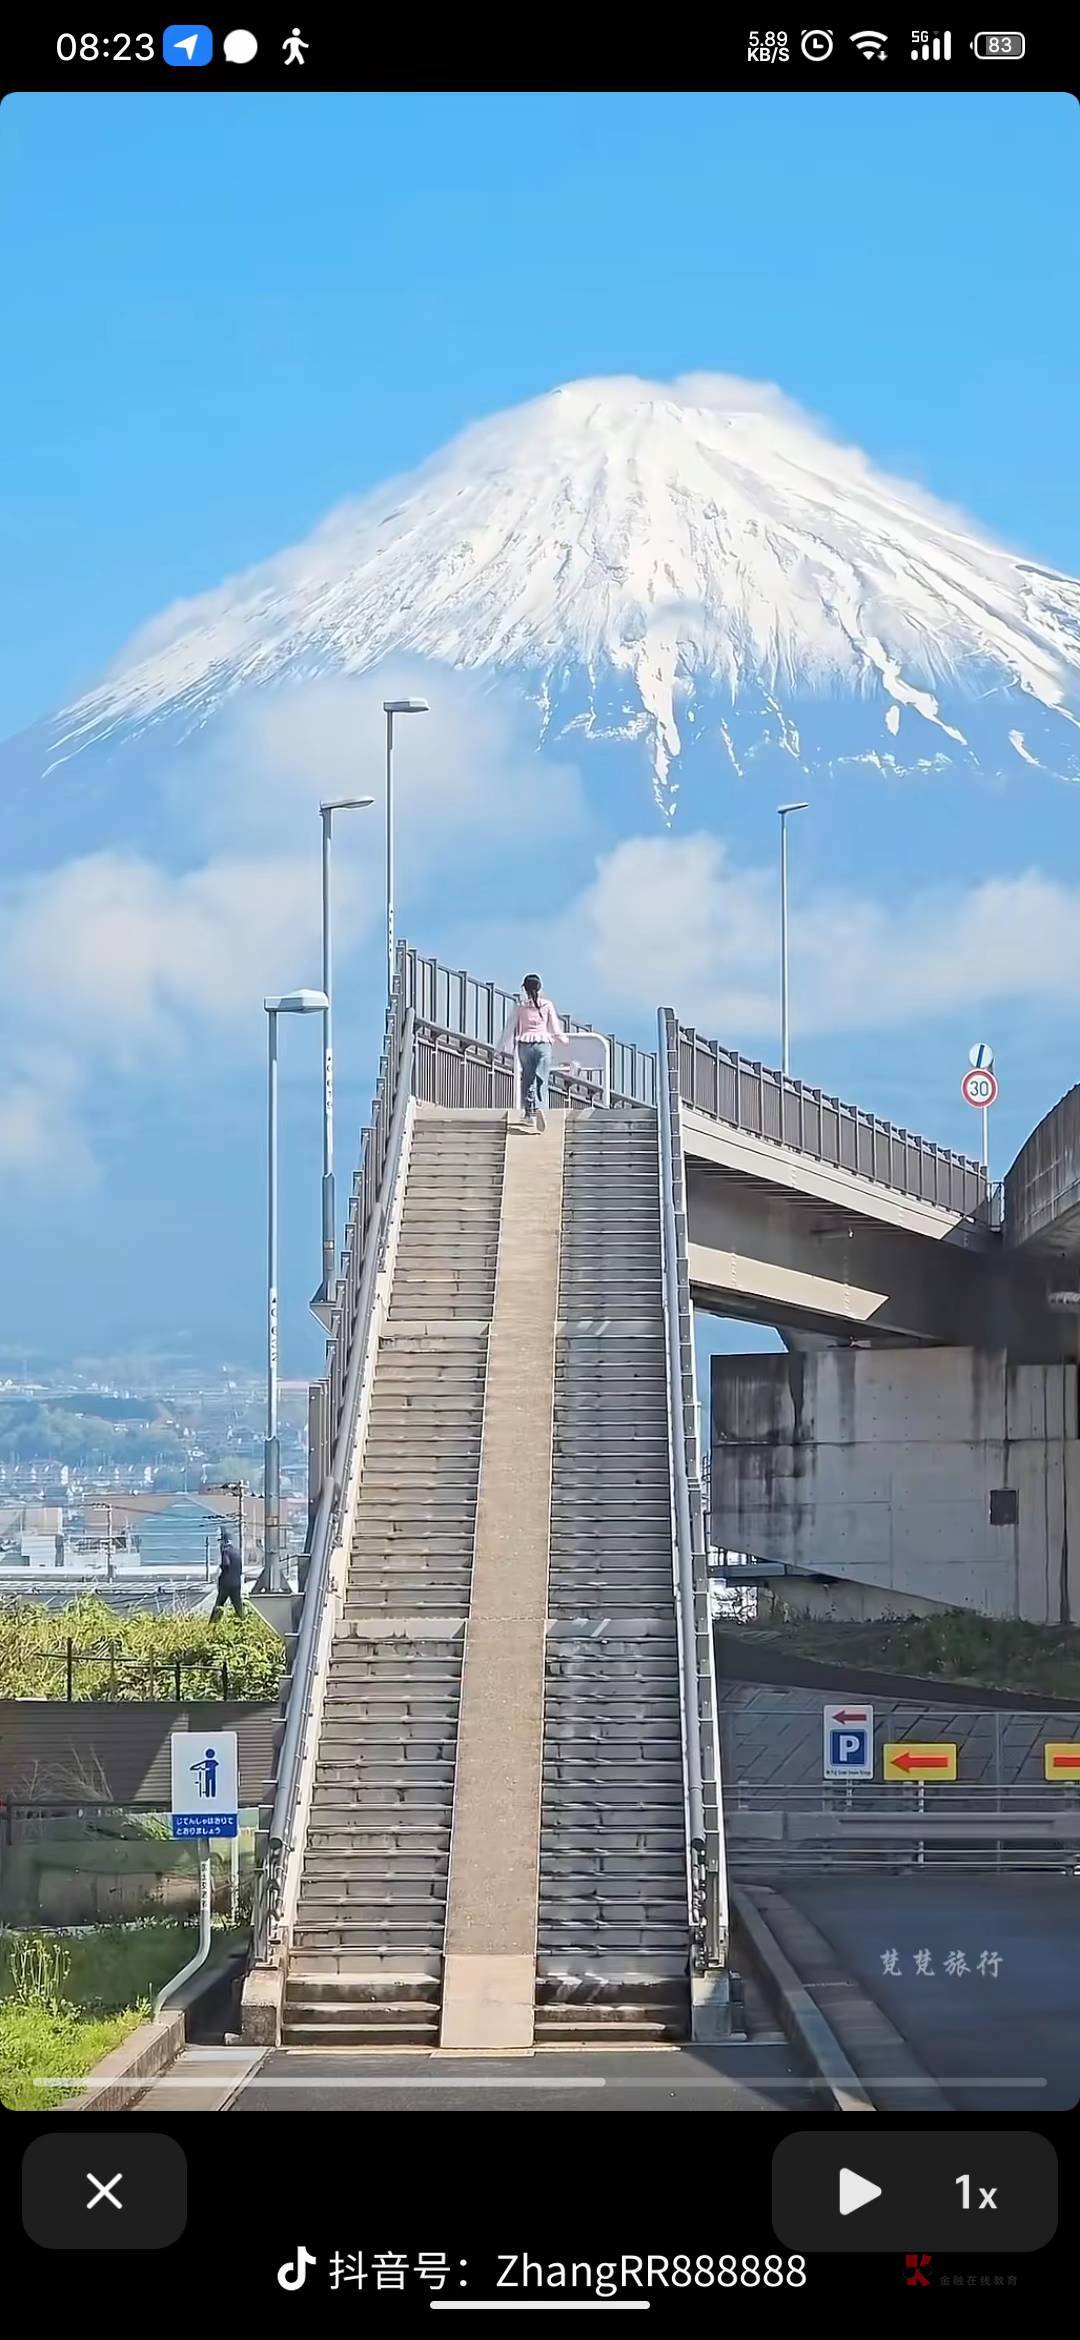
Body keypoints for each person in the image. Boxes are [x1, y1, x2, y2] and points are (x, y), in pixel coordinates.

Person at [498, 974, 567, 1131]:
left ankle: (529, 1113)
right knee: (541, 1078)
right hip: (543, 1043)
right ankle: (541, 1107)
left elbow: (510, 1027)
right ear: (540, 987)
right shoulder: (547, 1005)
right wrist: (564, 1041)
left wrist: (500, 1047)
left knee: (527, 1078)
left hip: (525, 1044)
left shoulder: (520, 1005)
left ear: (524, 988)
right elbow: (556, 1030)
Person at [210, 1525, 244, 1621]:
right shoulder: (237, 1552)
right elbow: (240, 1570)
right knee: (238, 1606)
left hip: (226, 1584)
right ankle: (243, 1623)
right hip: (236, 1584)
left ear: (224, 1541)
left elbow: (226, 1564)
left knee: (219, 1605)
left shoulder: (225, 1551)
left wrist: (221, 1568)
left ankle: (212, 1625)